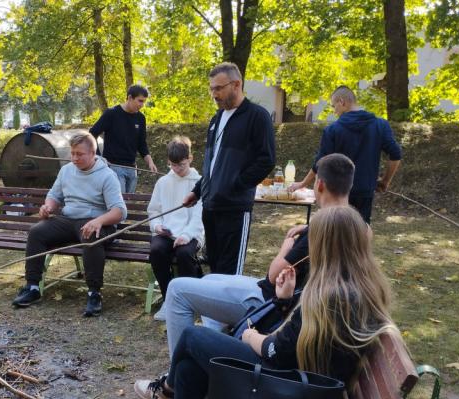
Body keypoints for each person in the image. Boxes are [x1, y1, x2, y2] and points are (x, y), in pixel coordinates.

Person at [136, 205, 398, 399]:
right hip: (303, 392)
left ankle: (167, 391)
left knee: (191, 336)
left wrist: (251, 338)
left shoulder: (329, 296)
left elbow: (276, 350)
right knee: (189, 368)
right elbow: (300, 341)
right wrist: (283, 302)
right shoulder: (357, 286)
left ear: (326, 245)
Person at [142, 153, 355, 362]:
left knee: (177, 289)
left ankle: (177, 374)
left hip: (269, 302)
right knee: (209, 280)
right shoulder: (352, 226)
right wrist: (307, 227)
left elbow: (274, 275)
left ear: (319, 185)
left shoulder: (322, 231)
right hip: (283, 299)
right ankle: (207, 354)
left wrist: (286, 246)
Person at [11, 133, 127, 317]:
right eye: (72, 153)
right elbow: (54, 196)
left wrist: (98, 221)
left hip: (96, 222)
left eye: (79, 154)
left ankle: (94, 293)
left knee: (90, 236)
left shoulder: (107, 176)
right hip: (68, 219)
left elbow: (120, 212)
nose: (74, 158)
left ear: (93, 153)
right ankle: (32, 287)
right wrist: (48, 207)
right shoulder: (66, 171)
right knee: (36, 232)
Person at [182, 62, 275, 275]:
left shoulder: (257, 116)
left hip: (234, 208)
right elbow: (212, 164)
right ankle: (212, 309)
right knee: (214, 264)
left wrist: (236, 184)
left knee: (229, 271)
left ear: (236, 84)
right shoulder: (216, 120)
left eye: (219, 88)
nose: (214, 94)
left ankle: (226, 308)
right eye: (211, 89)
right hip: (210, 205)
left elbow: (266, 160)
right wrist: (197, 191)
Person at [289, 85, 402, 223]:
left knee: (336, 234)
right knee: (360, 234)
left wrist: (303, 183)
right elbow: (395, 154)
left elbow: (321, 162)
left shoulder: (333, 130)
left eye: (333, 106)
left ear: (342, 102)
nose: (335, 111)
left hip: (337, 192)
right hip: (365, 191)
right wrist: (385, 181)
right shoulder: (380, 125)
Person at [148, 136, 204, 321]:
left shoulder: (199, 183)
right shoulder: (163, 182)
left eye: (181, 164)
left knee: (183, 254)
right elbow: (154, 210)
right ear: (167, 162)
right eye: (173, 165)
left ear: (190, 158)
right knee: (156, 250)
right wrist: (157, 226)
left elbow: (199, 217)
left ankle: (188, 300)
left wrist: (187, 235)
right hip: (168, 232)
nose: (178, 169)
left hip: (191, 233)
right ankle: (168, 299)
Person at [89, 84, 159, 193]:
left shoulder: (141, 118)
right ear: (130, 98)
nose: (142, 105)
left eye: (144, 102)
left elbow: (142, 144)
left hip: (132, 168)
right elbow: (92, 134)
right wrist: (99, 157)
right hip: (114, 167)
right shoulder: (111, 113)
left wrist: (150, 162)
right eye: (140, 101)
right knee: (119, 203)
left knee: (128, 204)